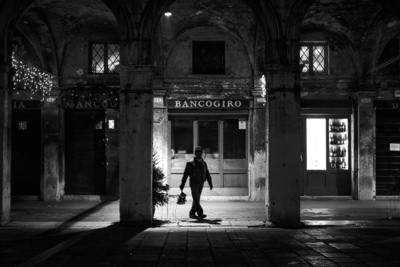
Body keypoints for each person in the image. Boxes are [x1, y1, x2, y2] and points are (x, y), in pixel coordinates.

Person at [179, 146, 213, 220]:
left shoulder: (204, 163)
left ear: (202, 153)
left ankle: (192, 213)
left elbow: (207, 174)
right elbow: (185, 175)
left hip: (201, 183)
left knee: (196, 200)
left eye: (200, 153)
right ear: (195, 154)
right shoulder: (190, 163)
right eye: (197, 153)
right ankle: (200, 213)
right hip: (194, 184)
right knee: (197, 199)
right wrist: (182, 184)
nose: (199, 154)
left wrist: (210, 183)